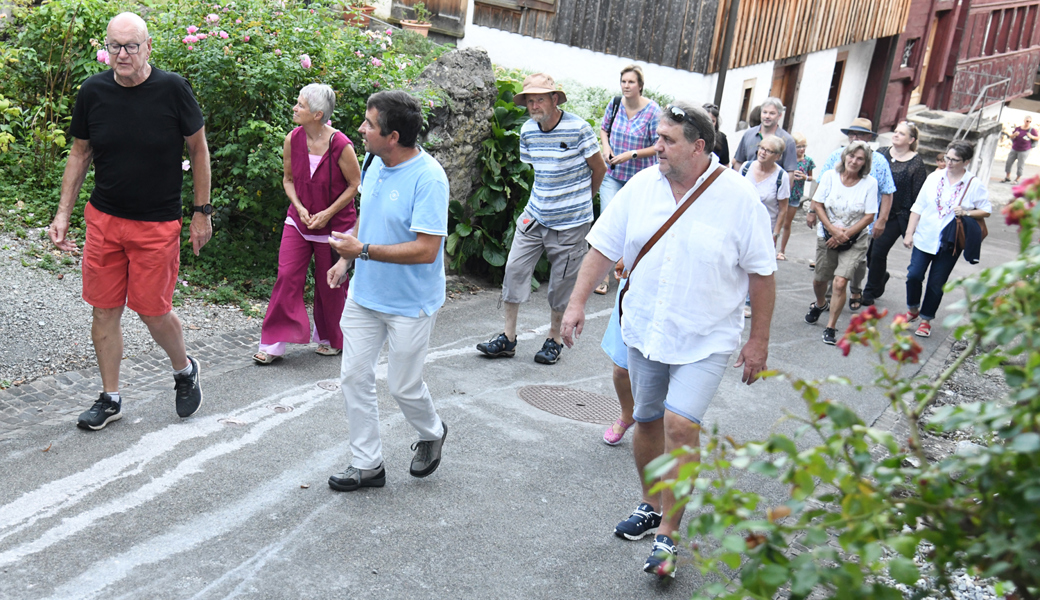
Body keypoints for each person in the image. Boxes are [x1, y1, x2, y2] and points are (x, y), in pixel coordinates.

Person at [561, 102, 777, 578]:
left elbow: (762, 273)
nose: (655, 146)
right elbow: (602, 247)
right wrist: (576, 303)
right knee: (647, 420)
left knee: (680, 426)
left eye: (667, 140)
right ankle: (650, 504)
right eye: (657, 136)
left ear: (698, 147)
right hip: (645, 328)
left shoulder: (739, 197)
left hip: (706, 337)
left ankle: (668, 536)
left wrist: (758, 340)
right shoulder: (641, 187)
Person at [48, 12, 210, 431]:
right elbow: (80, 152)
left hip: (156, 225)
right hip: (104, 219)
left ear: (148, 47)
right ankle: (110, 398)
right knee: (104, 311)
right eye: (115, 46)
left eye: (131, 46)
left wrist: (201, 212)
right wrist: (63, 213)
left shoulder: (173, 89)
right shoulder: (93, 91)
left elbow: (198, 150)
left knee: (153, 312)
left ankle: (184, 369)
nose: (122, 54)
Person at [325, 90, 449, 492]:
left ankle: (432, 431)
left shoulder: (429, 179)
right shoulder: (374, 161)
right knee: (354, 377)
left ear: (393, 136)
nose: (361, 129)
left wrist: (362, 251)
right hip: (365, 295)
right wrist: (347, 261)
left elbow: (427, 249)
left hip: (410, 304)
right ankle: (367, 464)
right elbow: (370, 214)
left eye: (369, 124)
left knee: (403, 386)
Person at [476, 73, 607, 365]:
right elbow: (539, 170)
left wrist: (582, 200)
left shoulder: (579, 129)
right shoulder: (527, 131)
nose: (534, 106)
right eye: (530, 101)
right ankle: (508, 338)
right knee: (514, 269)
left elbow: (599, 169)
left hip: (571, 222)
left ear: (554, 99)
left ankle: (554, 338)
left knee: (561, 284)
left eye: (540, 100)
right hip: (535, 214)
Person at [253, 84, 361, 364]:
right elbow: (288, 180)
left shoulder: (342, 145)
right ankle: (273, 344)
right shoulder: (292, 138)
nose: (295, 108)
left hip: (334, 225)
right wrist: (299, 208)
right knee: (287, 276)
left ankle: (332, 338)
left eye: (300, 105)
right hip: (299, 221)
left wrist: (327, 213)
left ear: (317, 114)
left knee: (330, 284)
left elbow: (355, 184)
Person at [902, 141, 991, 338]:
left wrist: (967, 212)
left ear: (966, 162)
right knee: (914, 275)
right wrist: (909, 233)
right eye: (947, 158)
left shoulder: (973, 184)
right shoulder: (934, 177)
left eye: (955, 160)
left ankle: (926, 319)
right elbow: (918, 206)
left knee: (936, 282)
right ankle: (913, 309)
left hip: (950, 241)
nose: (949, 163)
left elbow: (986, 210)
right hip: (925, 235)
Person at [808, 118, 894, 310]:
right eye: (852, 134)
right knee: (832, 260)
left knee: (858, 261)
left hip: (862, 221)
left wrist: (882, 220)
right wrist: (812, 210)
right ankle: (829, 297)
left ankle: (855, 289)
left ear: (869, 138)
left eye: (860, 134)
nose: (855, 137)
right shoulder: (836, 156)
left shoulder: (879, 161)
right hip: (832, 220)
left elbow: (888, 191)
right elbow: (821, 185)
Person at [595, 65, 661, 295]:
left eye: (631, 82)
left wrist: (631, 154)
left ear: (640, 85)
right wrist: (606, 148)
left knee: (633, 226)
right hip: (612, 175)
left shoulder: (653, 111)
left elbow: (658, 145)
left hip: (638, 179)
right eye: (623, 81)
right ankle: (603, 275)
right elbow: (604, 130)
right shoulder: (615, 104)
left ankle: (628, 271)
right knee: (608, 220)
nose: (626, 85)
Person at [804, 141, 878, 345]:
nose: (854, 161)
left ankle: (831, 326)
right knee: (820, 280)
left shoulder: (870, 183)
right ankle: (820, 304)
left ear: (865, 162)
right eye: (851, 156)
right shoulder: (830, 176)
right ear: (845, 156)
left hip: (855, 238)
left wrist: (846, 235)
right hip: (828, 235)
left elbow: (869, 215)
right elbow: (818, 204)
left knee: (840, 282)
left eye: (860, 158)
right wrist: (833, 230)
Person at [861, 121, 927, 306]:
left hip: (897, 215)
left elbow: (918, 195)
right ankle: (881, 276)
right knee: (868, 252)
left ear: (911, 140)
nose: (896, 135)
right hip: (874, 209)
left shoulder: (916, 163)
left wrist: (912, 226)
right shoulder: (881, 153)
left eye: (901, 133)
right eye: (895, 132)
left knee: (878, 251)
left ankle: (870, 291)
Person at [740, 134, 791, 242]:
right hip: (741, 226)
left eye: (768, 151)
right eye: (761, 148)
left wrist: (775, 234)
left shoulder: (781, 177)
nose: (763, 152)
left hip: (764, 232)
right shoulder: (746, 168)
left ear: (777, 156)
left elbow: (783, 209)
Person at [732, 97, 797, 173]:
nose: (767, 116)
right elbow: (738, 162)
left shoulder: (787, 141)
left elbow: (790, 171)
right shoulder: (748, 134)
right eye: (765, 112)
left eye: (772, 113)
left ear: (779, 116)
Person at [778, 132, 814, 261]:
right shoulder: (787, 158)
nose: (802, 149)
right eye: (799, 146)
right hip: (782, 194)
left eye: (804, 146)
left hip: (795, 195)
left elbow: (811, 177)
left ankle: (782, 250)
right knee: (776, 221)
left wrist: (805, 177)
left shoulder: (808, 161)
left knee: (787, 223)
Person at [1003, 115, 1038, 183]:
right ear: (1024, 121)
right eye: (1027, 121)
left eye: (1030, 121)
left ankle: (1017, 179)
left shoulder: (1032, 130)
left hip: (1024, 150)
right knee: (1009, 162)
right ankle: (1007, 177)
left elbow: (1037, 138)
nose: (1028, 122)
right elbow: (1011, 136)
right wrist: (1014, 134)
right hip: (1015, 148)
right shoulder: (1018, 128)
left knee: (1020, 165)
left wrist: (1031, 136)